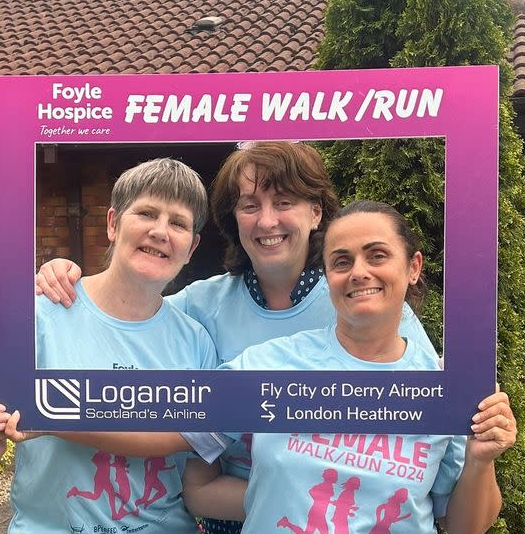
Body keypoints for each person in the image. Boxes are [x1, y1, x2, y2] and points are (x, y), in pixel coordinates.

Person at [35, 141, 438, 534]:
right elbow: (126, 314)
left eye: (283, 202)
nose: (266, 221)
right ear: (235, 219)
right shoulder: (197, 306)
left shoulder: (365, 304)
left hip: (348, 513)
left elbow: (431, 419)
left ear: (316, 213)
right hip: (226, 510)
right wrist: (69, 278)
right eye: (249, 205)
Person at [181, 200, 517, 533]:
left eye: (377, 255)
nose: (358, 272)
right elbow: (182, 428)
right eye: (342, 262)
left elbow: (465, 527)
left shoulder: (445, 386)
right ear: (327, 277)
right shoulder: (268, 364)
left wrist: (479, 459)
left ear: (413, 267)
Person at [0, 158, 216, 533]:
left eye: (178, 223)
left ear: (192, 247)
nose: (160, 231)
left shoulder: (197, 342)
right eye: (147, 213)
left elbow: (200, 462)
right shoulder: (35, 316)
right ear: (112, 223)